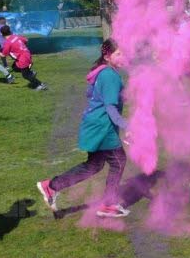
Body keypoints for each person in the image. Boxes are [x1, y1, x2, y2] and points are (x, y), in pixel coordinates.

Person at [37, 39, 130, 218]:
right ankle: (108, 204)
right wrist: (126, 126)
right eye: (119, 54)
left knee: (94, 165)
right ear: (107, 56)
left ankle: (52, 186)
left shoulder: (102, 71)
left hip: (95, 125)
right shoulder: (109, 75)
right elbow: (110, 107)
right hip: (103, 128)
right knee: (118, 161)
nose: (123, 57)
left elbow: (91, 93)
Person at [0, 26, 47, 90]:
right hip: (27, 54)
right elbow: (26, 40)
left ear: (2, 34)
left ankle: (39, 85)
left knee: (25, 75)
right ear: (10, 31)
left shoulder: (7, 43)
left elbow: (3, 55)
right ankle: (32, 74)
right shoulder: (16, 36)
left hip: (22, 59)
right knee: (14, 67)